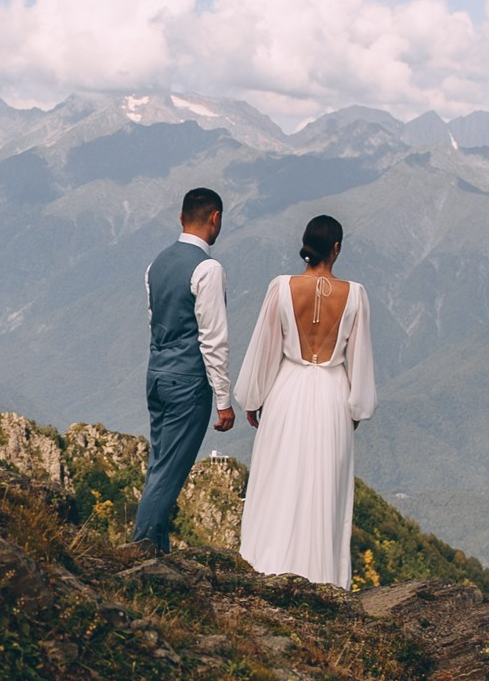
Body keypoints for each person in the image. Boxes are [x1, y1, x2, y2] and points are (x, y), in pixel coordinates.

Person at [235, 213, 377, 587]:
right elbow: (359, 358)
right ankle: (321, 578)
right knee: (324, 488)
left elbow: (264, 347)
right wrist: (356, 407)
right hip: (331, 393)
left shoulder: (281, 287)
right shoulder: (356, 295)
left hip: (286, 390)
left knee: (277, 479)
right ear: (336, 249)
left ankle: (265, 568)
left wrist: (254, 396)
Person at [132, 186, 235, 554]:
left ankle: (157, 555)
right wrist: (223, 399)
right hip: (187, 383)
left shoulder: (155, 264)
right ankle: (139, 552)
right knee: (169, 473)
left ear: (180, 218)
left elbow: (153, 321)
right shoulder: (208, 269)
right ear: (215, 218)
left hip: (156, 376)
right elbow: (213, 340)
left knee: (159, 466)